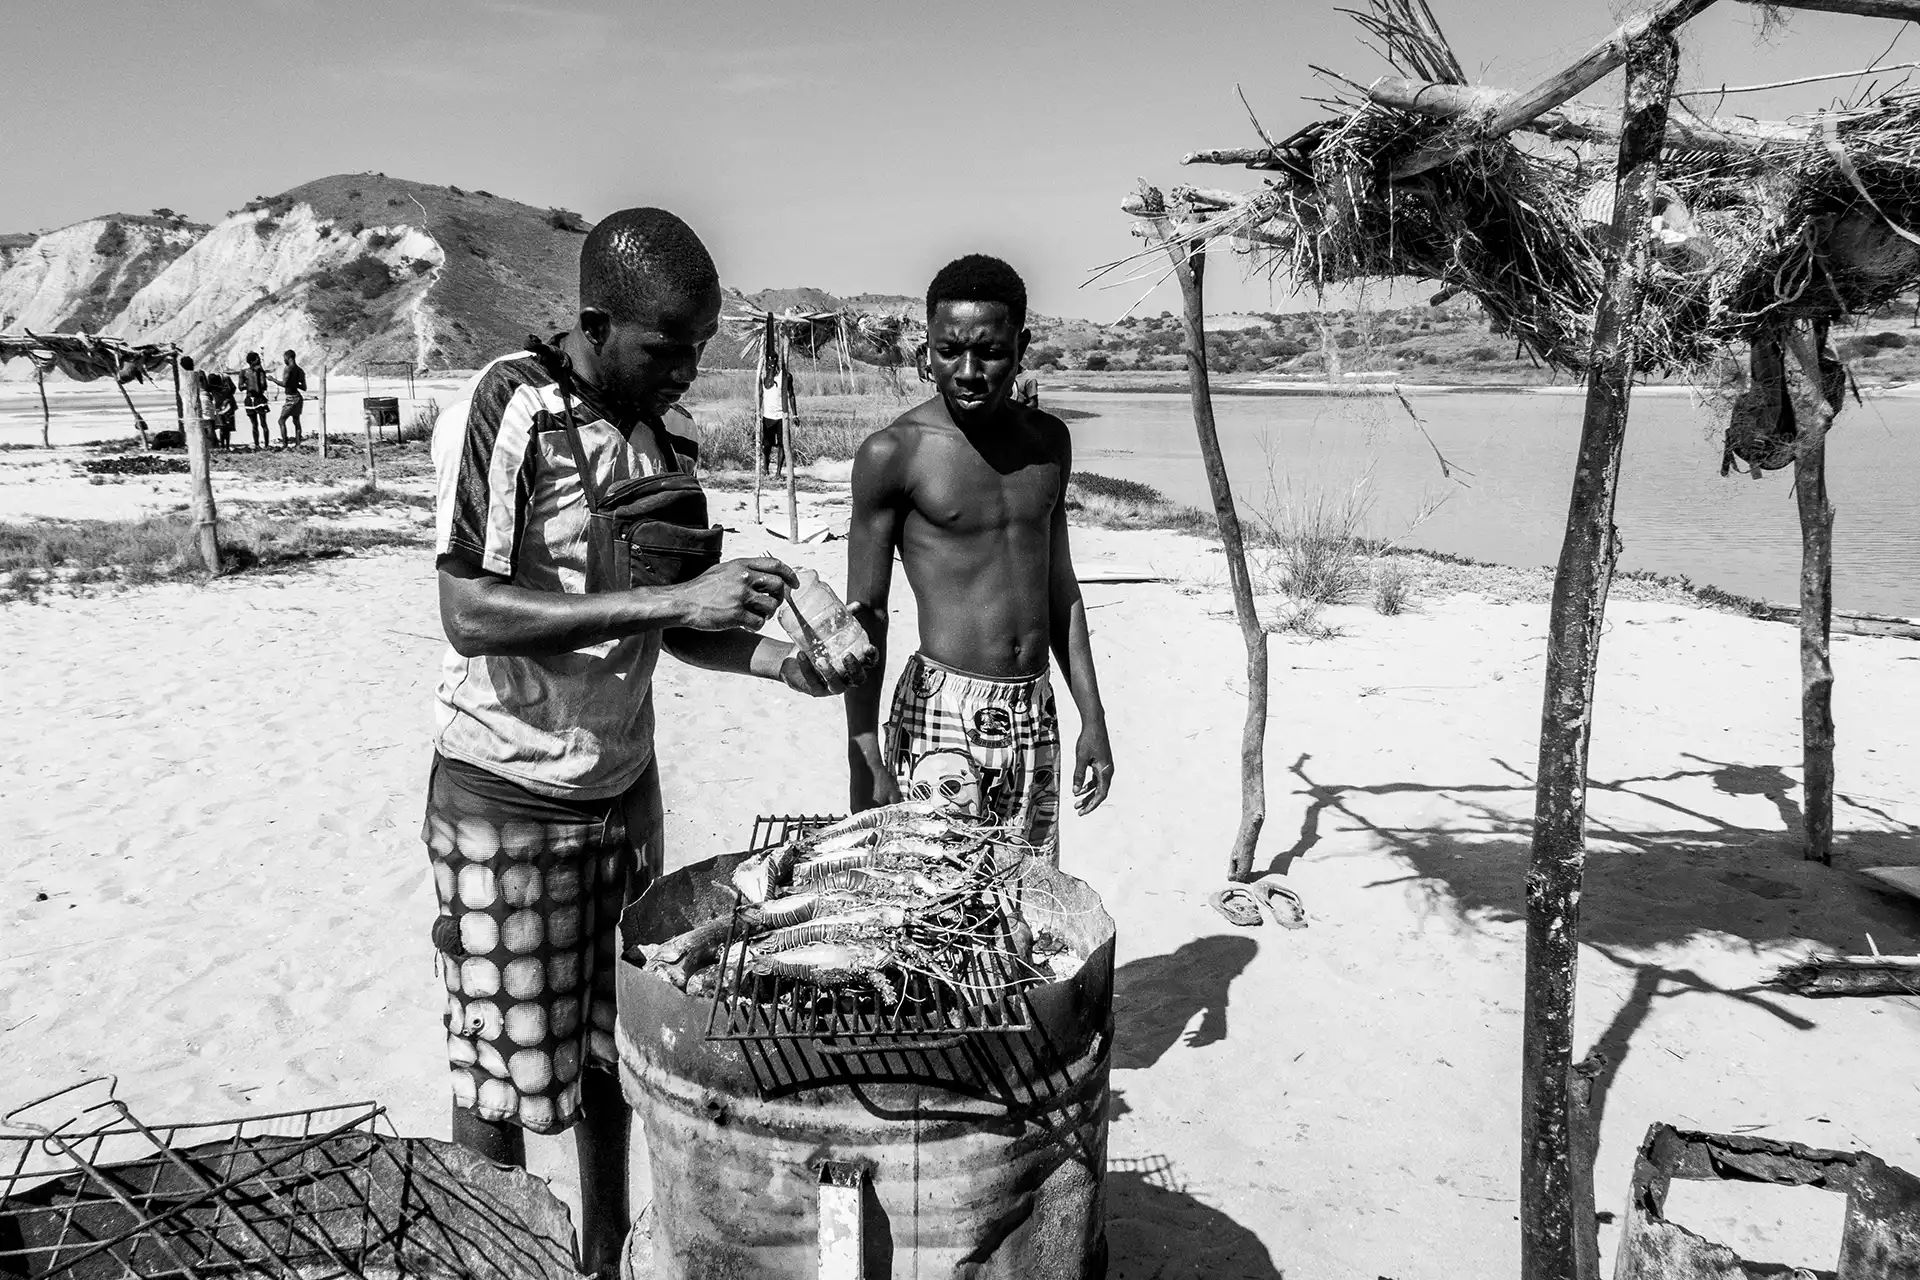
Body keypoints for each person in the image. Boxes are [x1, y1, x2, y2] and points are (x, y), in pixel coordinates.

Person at [425, 206, 875, 1280]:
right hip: (508, 795)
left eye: (700, 345)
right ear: (596, 320)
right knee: (500, 1070)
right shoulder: (510, 407)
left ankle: (605, 1256)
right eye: (666, 344)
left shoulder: (658, 441)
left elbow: (677, 627)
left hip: (624, 790)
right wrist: (682, 592)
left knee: (609, 1060)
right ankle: (487, 1258)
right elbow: (467, 610)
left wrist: (783, 665)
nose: (686, 367)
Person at [843, 254, 1114, 863]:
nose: (967, 372)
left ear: (1022, 346)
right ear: (926, 353)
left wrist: (1090, 718)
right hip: (942, 711)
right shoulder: (895, 453)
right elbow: (867, 616)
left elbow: (1060, 588)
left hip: (1034, 710)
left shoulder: (1049, 443)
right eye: (949, 351)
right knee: (931, 915)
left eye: (989, 352)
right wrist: (864, 751)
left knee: (1025, 905)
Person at [758, 355, 795, 479]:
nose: (771, 366)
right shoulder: (764, 378)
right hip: (767, 417)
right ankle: (765, 469)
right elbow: (761, 394)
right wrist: (757, 412)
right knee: (766, 445)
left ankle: (778, 472)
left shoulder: (786, 377)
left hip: (781, 416)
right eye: (769, 364)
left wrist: (795, 414)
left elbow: (791, 395)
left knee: (783, 445)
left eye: (773, 364)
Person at [272, 349, 307, 447]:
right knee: (296, 421)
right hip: (298, 397)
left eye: (284, 358)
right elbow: (304, 387)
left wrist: (272, 379)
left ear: (288, 358)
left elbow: (284, 384)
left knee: (281, 421)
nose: (284, 360)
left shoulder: (288, 368)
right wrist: (295, 383)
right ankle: (298, 444)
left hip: (291, 398)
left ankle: (285, 445)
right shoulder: (300, 370)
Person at [237, 352, 270, 447]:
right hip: (249, 399)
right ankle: (257, 445)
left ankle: (266, 445)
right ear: (251, 361)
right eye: (257, 358)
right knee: (254, 425)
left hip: (260, 399)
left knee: (263, 423)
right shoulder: (243, 372)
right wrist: (248, 385)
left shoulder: (261, 372)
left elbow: (263, 386)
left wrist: (259, 374)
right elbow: (240, 387)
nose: (259, 360)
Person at [205, 370, 237, 449]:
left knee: (224, 428)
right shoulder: (219, 387)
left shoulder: (223, 382)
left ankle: (225, 446)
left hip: (225, 407)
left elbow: (233, 388)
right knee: (224, 427)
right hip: (223, 408)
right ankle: (225, 446)